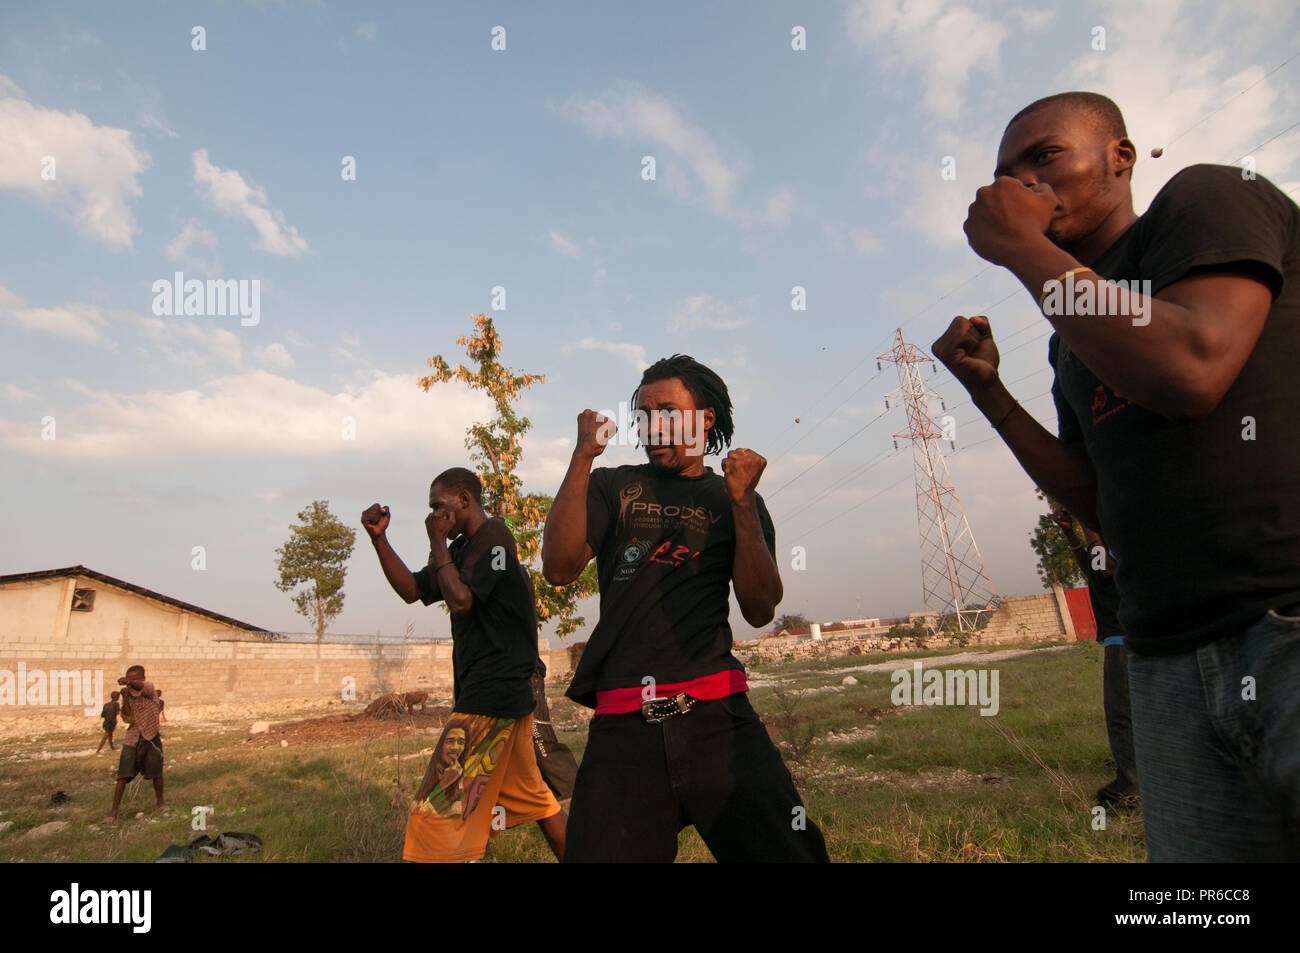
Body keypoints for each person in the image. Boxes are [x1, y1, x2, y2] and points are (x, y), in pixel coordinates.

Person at [932, 91, 1300, 861]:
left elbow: (1193, 366)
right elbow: (1098, 500)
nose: (1023, 185)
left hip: (1285, 625)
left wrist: (1023, 252)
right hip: (1167, 656)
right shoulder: (1075, 340)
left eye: (1045, 158)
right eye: (1006, 174)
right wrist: (988, 391)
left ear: (1120, 158)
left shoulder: (1206, 198)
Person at [541, 354, 829, 862]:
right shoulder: (613, 485)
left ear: (706, 419)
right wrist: (583, 455)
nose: (654, 427)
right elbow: (560, 567)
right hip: (623, 729)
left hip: (718, 718)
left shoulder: (734, 497)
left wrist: (741, 502)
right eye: (645, 415)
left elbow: (761, 608)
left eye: (669, 412)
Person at [363, 467, 566, 862]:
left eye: (439, 506)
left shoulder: (495, 539)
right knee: (536, 800)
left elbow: (461, 599)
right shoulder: (458, 551)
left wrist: (437, 541)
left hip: (494, 693)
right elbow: (413, 589)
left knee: (436, 807)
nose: (434, 515)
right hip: (502, 694)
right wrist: (380, 539)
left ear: (465, 501)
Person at [1052, 508, 1138, 809]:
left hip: (1125, 641)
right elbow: (1091, 569)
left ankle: (1130, 787)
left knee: (1122, 717)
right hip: (1120, 641)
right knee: (1126, 714)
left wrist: (1086, 519)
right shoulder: (1103, 544)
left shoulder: (1118, 539)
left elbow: (1103, 567)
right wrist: (1069, 531)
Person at [104, 666, 168, 823]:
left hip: (151, 737)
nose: (131, 682)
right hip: (133, 738)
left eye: (134, 678)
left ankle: (161, 803)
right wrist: (125, 697)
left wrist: (129, 682)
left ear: (143, 678)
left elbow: (141, 687)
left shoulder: (149, 690)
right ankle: (113, 812)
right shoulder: (129, 695)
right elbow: (127, 718)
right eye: (128, 679)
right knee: (123, 775)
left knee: (156, 773)